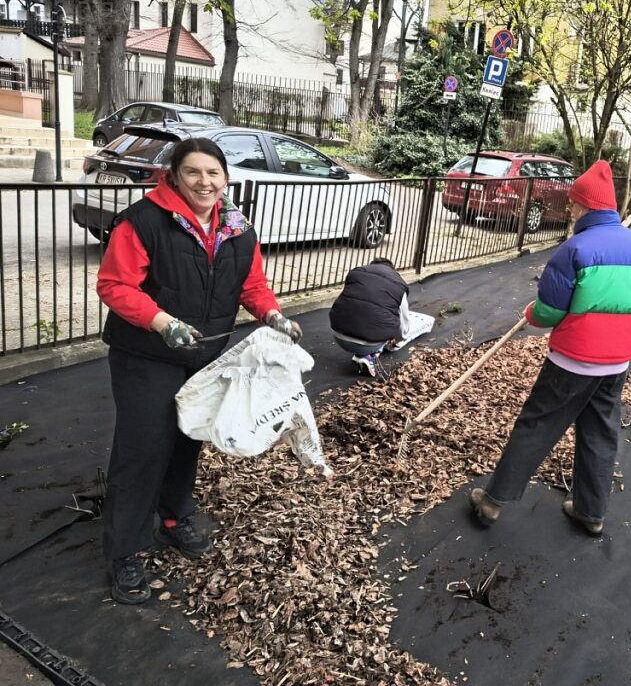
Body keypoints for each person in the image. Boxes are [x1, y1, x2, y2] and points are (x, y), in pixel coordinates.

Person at [96, 137, 302, 605]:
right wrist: (162, 323)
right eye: (193, 172)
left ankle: (173, 518)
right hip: (146, 356)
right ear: (174, 176)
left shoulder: (237, 228)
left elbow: (252, 285)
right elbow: (113, 284)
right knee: (142, 449)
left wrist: (272, 315)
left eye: (213, 173)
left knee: (189, 438)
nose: (204, 182)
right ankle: (125, 550)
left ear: (225, 178)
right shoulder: (144, 222)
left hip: (205, 357)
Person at [468, 160, 631, 537]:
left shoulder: (574, 250)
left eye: (572, 204)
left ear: (585, 207)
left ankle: (492, 503)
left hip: (573, 362)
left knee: (536, 426)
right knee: (600, 434)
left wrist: (530, 312)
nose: (569, 210)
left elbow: (549, 313)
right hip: (617, 363)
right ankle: (591, 512)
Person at [329, 258, 411, 378]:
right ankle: (367, 356)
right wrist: (399, 340)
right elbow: (403, 320)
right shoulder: (399, 284)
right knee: (390, 320)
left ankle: (363, 353)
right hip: (371, 343)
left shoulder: (356, 273)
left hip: (338, 334)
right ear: (392, 270)